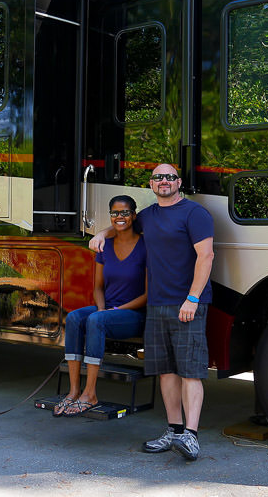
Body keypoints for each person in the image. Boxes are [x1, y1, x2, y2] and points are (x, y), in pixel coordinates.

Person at [89, 164, 214, 460]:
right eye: (158, 177)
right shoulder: (148, 215)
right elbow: (124, 224)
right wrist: (101, 234)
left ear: (179, 182)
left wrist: (193, 298)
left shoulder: (195, 214)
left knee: (190, 371)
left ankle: (191, 437)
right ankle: (173, 431)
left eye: (170, 177)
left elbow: (206, 256)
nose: (164, 181)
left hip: (187, 304)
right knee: (165, 371)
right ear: (151, 184)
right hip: (157, 304)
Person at [55, 195, 147, 417]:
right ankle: (74, 391)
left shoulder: (146, 247)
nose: (119, 217)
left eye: (125, 212)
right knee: (75, 318)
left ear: (133, 215)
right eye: (114, 213)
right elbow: (98, 287)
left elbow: (148, 294)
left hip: (133, 313)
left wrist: (113, 312)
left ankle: (90, 394)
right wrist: (102, 308)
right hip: (107, 310)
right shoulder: (105, 248)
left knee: (97, 320)